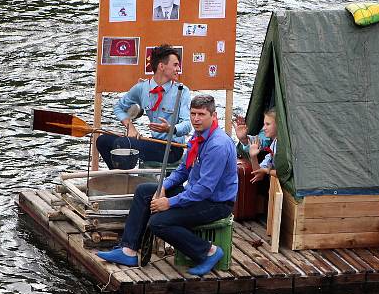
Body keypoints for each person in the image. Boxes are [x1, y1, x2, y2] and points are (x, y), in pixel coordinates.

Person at [97, 94, 238, 275]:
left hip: (215, 204)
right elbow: (182, 171)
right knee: (144, 191)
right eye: (193, 114)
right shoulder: (198, 136)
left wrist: (169, 203)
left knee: (158, 223)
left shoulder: (217, 145)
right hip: (197, 195)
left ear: (214, 115)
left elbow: (204, 190)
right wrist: (163, 186)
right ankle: (128, 250)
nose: (196, 119)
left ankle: (208, 251)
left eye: (201, 114)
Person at [95, 44, 191, 168]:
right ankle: (120, 178)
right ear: (161, 66)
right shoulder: (142, 88)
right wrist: (130, 127)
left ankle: (126, 181)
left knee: (123, 143)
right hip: (153, 142)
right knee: (103, 141)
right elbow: (118, 107)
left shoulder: (182, 91)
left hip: (172, 148)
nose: (178, 68)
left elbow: (188, 125)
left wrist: (169, 128)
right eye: (175, 65)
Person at [247, 108, 278, 184]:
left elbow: (285, 174)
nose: (264, 128)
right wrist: (253, 156)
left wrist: (268, 171)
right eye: (264, 124)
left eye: (268, 124)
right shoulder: (274, 144)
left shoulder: (285, 147)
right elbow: (258, 175)